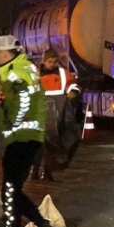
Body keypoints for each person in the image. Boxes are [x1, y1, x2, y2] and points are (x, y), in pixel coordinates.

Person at [0, 35, 61, 227]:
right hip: (31, 138)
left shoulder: (14, 72)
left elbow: (23, 100)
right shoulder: (27, 67)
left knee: (10, 192)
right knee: (11, 191)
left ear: (4, 53)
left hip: (21, 139)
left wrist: (13, 120)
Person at [31, 48, 80, 181]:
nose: (52, 64)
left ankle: (46, 170)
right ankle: (36, 170)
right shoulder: (35, 74)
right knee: (41, 143)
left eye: (54, 61)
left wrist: (73, 92)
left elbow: (73, 85)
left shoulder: (63, 74)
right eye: (49, 61)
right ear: (44, 61)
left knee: (50, 143)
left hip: (58, 113)